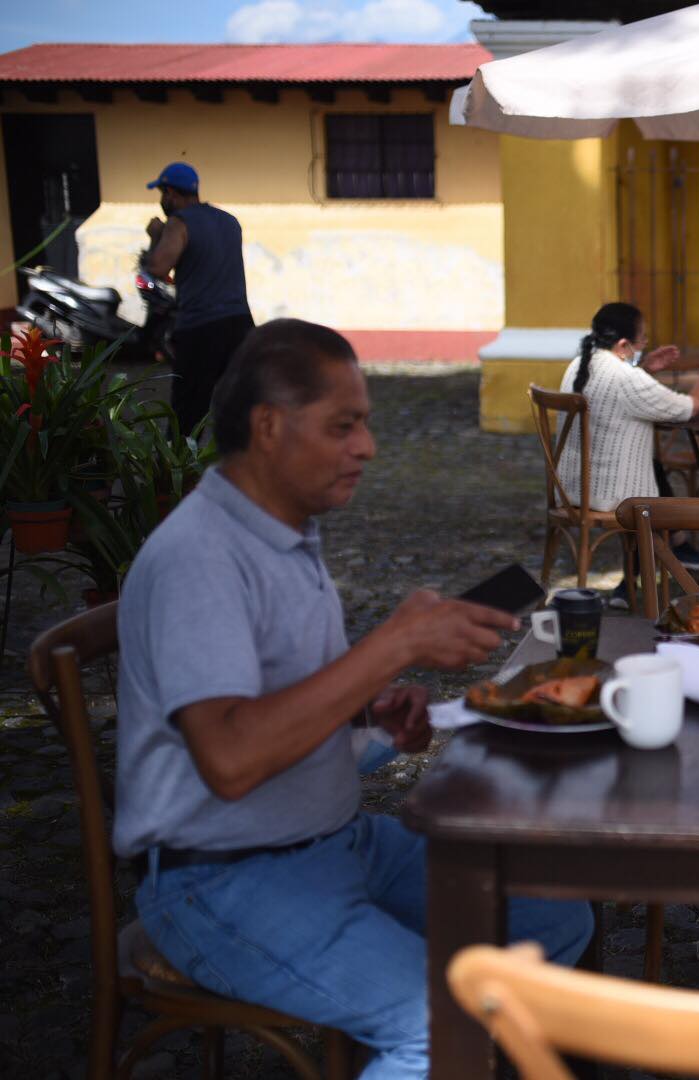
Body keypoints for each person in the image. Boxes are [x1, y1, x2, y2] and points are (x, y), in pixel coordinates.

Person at [114, 319, 593, 1079]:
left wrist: (369, 716)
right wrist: (391, 646)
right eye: (344, 426)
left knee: (556, 918)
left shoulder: (285, 537)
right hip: (222, 876)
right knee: (442, 1024)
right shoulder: (198, 559)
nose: (367, 446)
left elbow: (283, 705)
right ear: (268, 428)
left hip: (333, 844)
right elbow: (230, 758)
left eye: (364, 423)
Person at [558, 302, 699, 606]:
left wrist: (644, 367)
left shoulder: (579, 365)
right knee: (648, 489)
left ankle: (666, 551)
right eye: (642, 340)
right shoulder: (626, 379)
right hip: (612, 495)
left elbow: (618, 392)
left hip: (572, 488)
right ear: (623, 345)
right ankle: (655, 567)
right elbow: (688, 408)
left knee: (651, 468)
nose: (645, 344)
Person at [142, 161, 254, 436]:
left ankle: (183, 476)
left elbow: (157, 267)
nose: (162, 201)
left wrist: (155, 237)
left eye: (162, 194)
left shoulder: (179, 223)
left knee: (187, 416)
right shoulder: (230, 221)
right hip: (241, 325)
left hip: (200, 328)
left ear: (170, 193)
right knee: (242, 407)